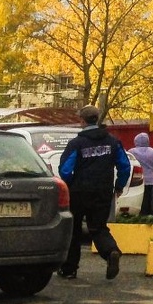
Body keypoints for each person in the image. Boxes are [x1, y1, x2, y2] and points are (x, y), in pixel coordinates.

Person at [57, 105, 131, 280]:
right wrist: (118, 186)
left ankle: (69, 269)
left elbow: (65, 169)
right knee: (98, 228)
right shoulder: (113, 141)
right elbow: (125, 166)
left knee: (74, 230)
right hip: (103, 192)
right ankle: (111, 251)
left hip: (79, 193)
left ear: (82, 121)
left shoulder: (76, 143)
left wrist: (69, 185)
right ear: (97, 119)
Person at [130, 132, 153, 216]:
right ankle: (148, 218)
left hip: (137, 180)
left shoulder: (132, 152)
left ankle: (139, 217)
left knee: (138, 200)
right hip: (150, 181)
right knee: (149, 201)